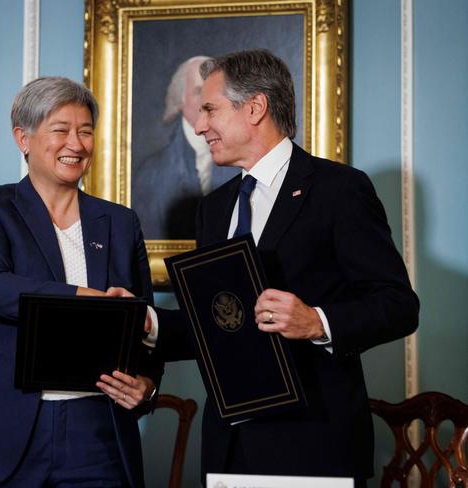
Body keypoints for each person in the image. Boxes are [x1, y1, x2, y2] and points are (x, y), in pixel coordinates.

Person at [145, 50, 420, 485]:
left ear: (254, 107)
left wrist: (317, 322)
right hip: (228, 448)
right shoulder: (212, 211)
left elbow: (399, 305)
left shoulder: (339, 190)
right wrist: (147, 323)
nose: (199, 127)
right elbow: (219, 323)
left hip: (313, 445)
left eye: (210, 110)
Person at [0, 77, 161, 488]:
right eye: (61, 130)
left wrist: (148, 385)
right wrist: (86, 298)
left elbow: (144, 320)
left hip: (97, 432)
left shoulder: (121, 222)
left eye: (86, 131)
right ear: (24, 138)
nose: (76, 143)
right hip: (6, 427)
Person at [132, 56, 237, 239]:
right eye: (199, 91)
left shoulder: (242, 164)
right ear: (180, 99)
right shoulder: (151, 174)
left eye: (215, 93)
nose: (207, 102)